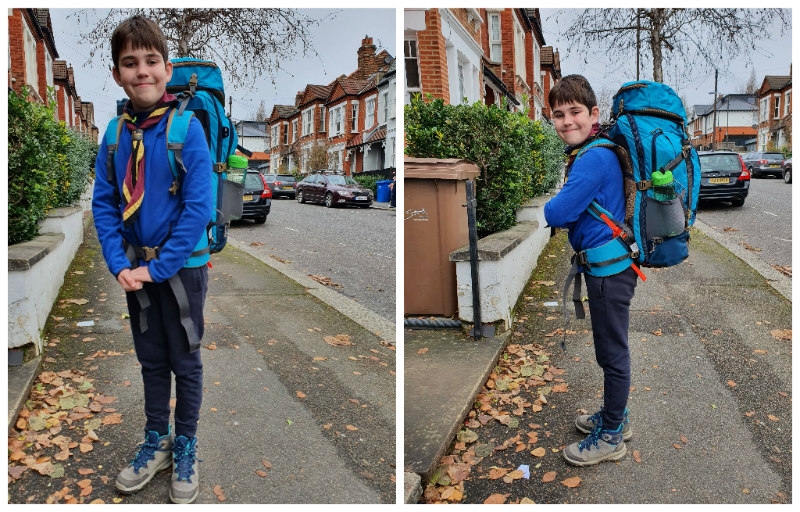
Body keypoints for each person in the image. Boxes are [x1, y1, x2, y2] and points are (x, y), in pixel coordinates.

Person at [91, 15, 212, 503]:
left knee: (185, 358)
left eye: (151, 60)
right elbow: (104, 204)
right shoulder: (113, 135)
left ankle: (186, 444)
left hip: (183, 270)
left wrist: (159, 267)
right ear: (117, 74)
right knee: (151, 359)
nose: (142, 71)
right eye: (130, 63)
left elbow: (198, 207)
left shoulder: (188, 128)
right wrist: (118, 263)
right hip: (135, 271)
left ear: (167, 69)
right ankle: (156, 440)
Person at [543, 75, 637, 466]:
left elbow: (557, 213)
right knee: (609, 349)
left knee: (612, 353)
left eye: (575, 112)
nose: (567, 121)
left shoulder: (593, 158)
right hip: (609, 266)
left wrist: (555, 204)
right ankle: (616, 418)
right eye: (558, 114)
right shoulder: (595, 152)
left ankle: (612, 436)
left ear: (594, 114)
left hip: (607, 272)